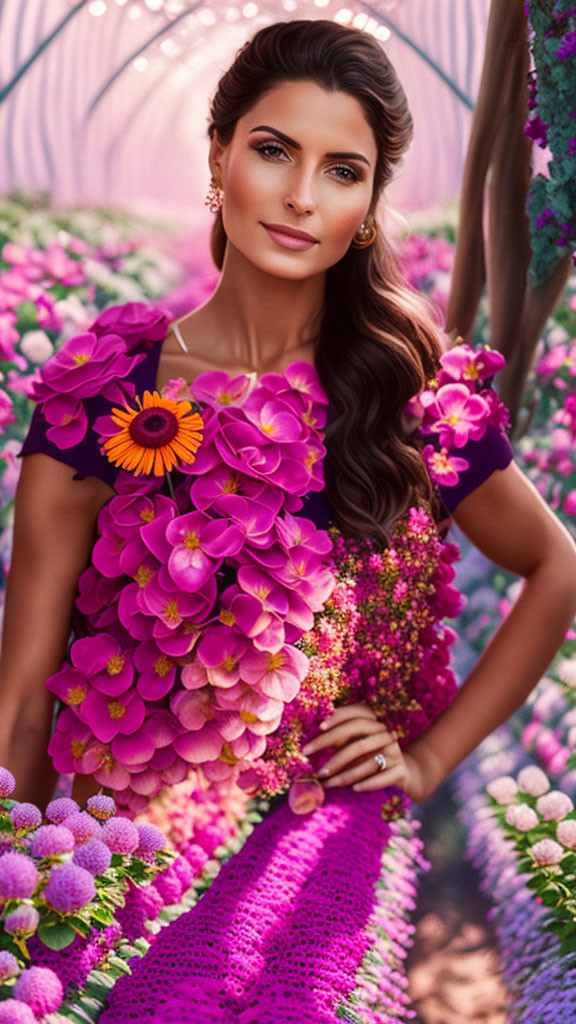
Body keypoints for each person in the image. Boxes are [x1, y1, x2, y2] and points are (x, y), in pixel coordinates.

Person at [3, 17, 576, 1022]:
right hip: (119, 839)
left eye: (342, 170)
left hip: (316, 828)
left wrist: (428, 756)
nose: (303, 196)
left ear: (367, 208)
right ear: (219, 156)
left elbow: (555, 566)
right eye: (274, 151)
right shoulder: (103, 394)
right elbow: (21, 706)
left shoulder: (403, 393)